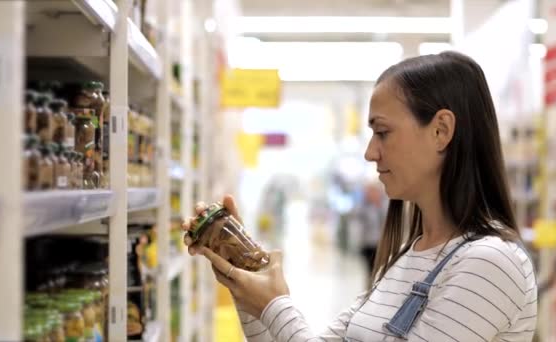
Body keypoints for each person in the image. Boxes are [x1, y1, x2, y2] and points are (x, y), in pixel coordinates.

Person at [182, 51, 538, 341]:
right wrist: (243, 276)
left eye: (383, 132)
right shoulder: (404, 259)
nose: (370, 152)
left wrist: (275, 305)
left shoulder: (489, 263)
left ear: (441, 131)